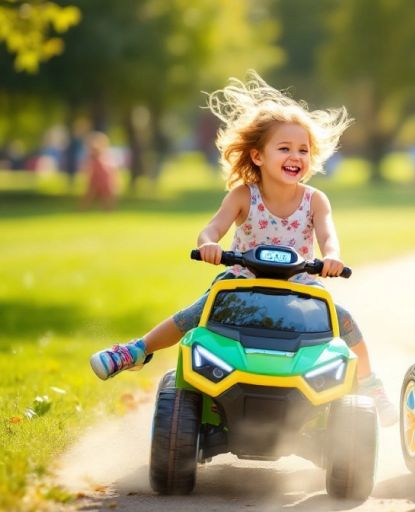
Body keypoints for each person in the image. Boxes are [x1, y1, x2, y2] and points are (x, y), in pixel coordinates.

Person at [88, 72, 397, 426]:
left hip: (298, 285)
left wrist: (332, 257)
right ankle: (136, 350)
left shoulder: (315, 200)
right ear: (258, 155)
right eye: (284, 148)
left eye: (303, 150)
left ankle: (371, 385)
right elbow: (212, 229)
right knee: (195, 314)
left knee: (341, 319)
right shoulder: (243, 196)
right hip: (242, 280)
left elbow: (328, 236)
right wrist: (208, 246)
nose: (295, 156)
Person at [79, 132, 118, 210]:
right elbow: (88, 166)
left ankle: (109, 209)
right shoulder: (92, 156)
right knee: (90, 194)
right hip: (95, 177)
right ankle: (83, 208)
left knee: (106, 195)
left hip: (104, 177)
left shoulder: (105, 155)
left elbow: (112, 168)